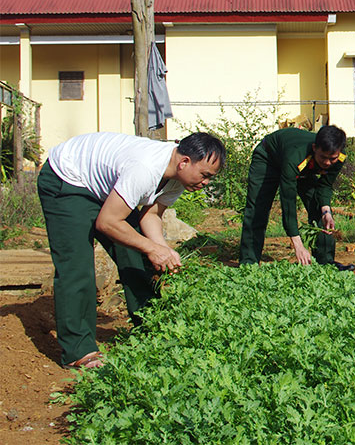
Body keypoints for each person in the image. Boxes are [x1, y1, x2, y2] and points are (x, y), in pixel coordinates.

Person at [37, 131, 226, 369]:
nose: (206, 182)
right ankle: (78, 351)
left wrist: (162, 250)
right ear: (184, 162)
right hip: (68, 178)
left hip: (103, 187)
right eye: (205, 175)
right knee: (77, 266)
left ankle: (150, 328)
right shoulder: (145, 169)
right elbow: (107, 223)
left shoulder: (180, 177)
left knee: (140, 253)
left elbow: (152, 214)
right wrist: (151, 247)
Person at [238, 124, 355, 270]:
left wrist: (326, 211)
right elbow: (288, 201)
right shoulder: (295, 157)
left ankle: (325, 263)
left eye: (332, 159)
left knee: (318, 208)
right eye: (323, 157)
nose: (327, 163)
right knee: (257, 208)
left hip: (305, 166)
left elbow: (325, 186)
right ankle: (249, 264)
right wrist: (297, 244)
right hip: (269, 158)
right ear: (314, 148)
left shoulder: (338, 157)